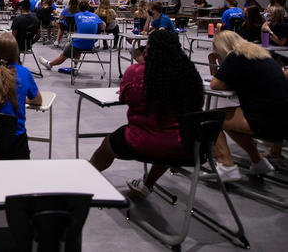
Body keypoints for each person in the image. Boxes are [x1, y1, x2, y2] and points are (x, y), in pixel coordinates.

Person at [89, 30, 204, 198]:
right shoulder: (190, 75)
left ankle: (88, 174)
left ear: (149, 49)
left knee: (108, 144)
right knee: (168, 142)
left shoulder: (136, 72)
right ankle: (147, 184)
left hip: (142, 142)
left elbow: (125, 97)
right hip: (185, 144)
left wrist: (142, 64)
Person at [209, 31, 288, 180]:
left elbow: (215, 84)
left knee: (211, 119)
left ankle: (227, 167)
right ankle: (258, 161)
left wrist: (219, 62)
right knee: (230, 120)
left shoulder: (235, 56)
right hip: (282, 118)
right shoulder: (260, 54)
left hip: (267, 121)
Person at [39, 1, 105, 70]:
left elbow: (63, 18)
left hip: (78, 43)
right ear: (88, 7)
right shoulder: (95, 16)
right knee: (78, 48)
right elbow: (103, 26)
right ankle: (75, 66)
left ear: (79, 8)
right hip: (91, 44)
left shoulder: (76, 15)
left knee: (63, 55)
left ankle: (49, 64)